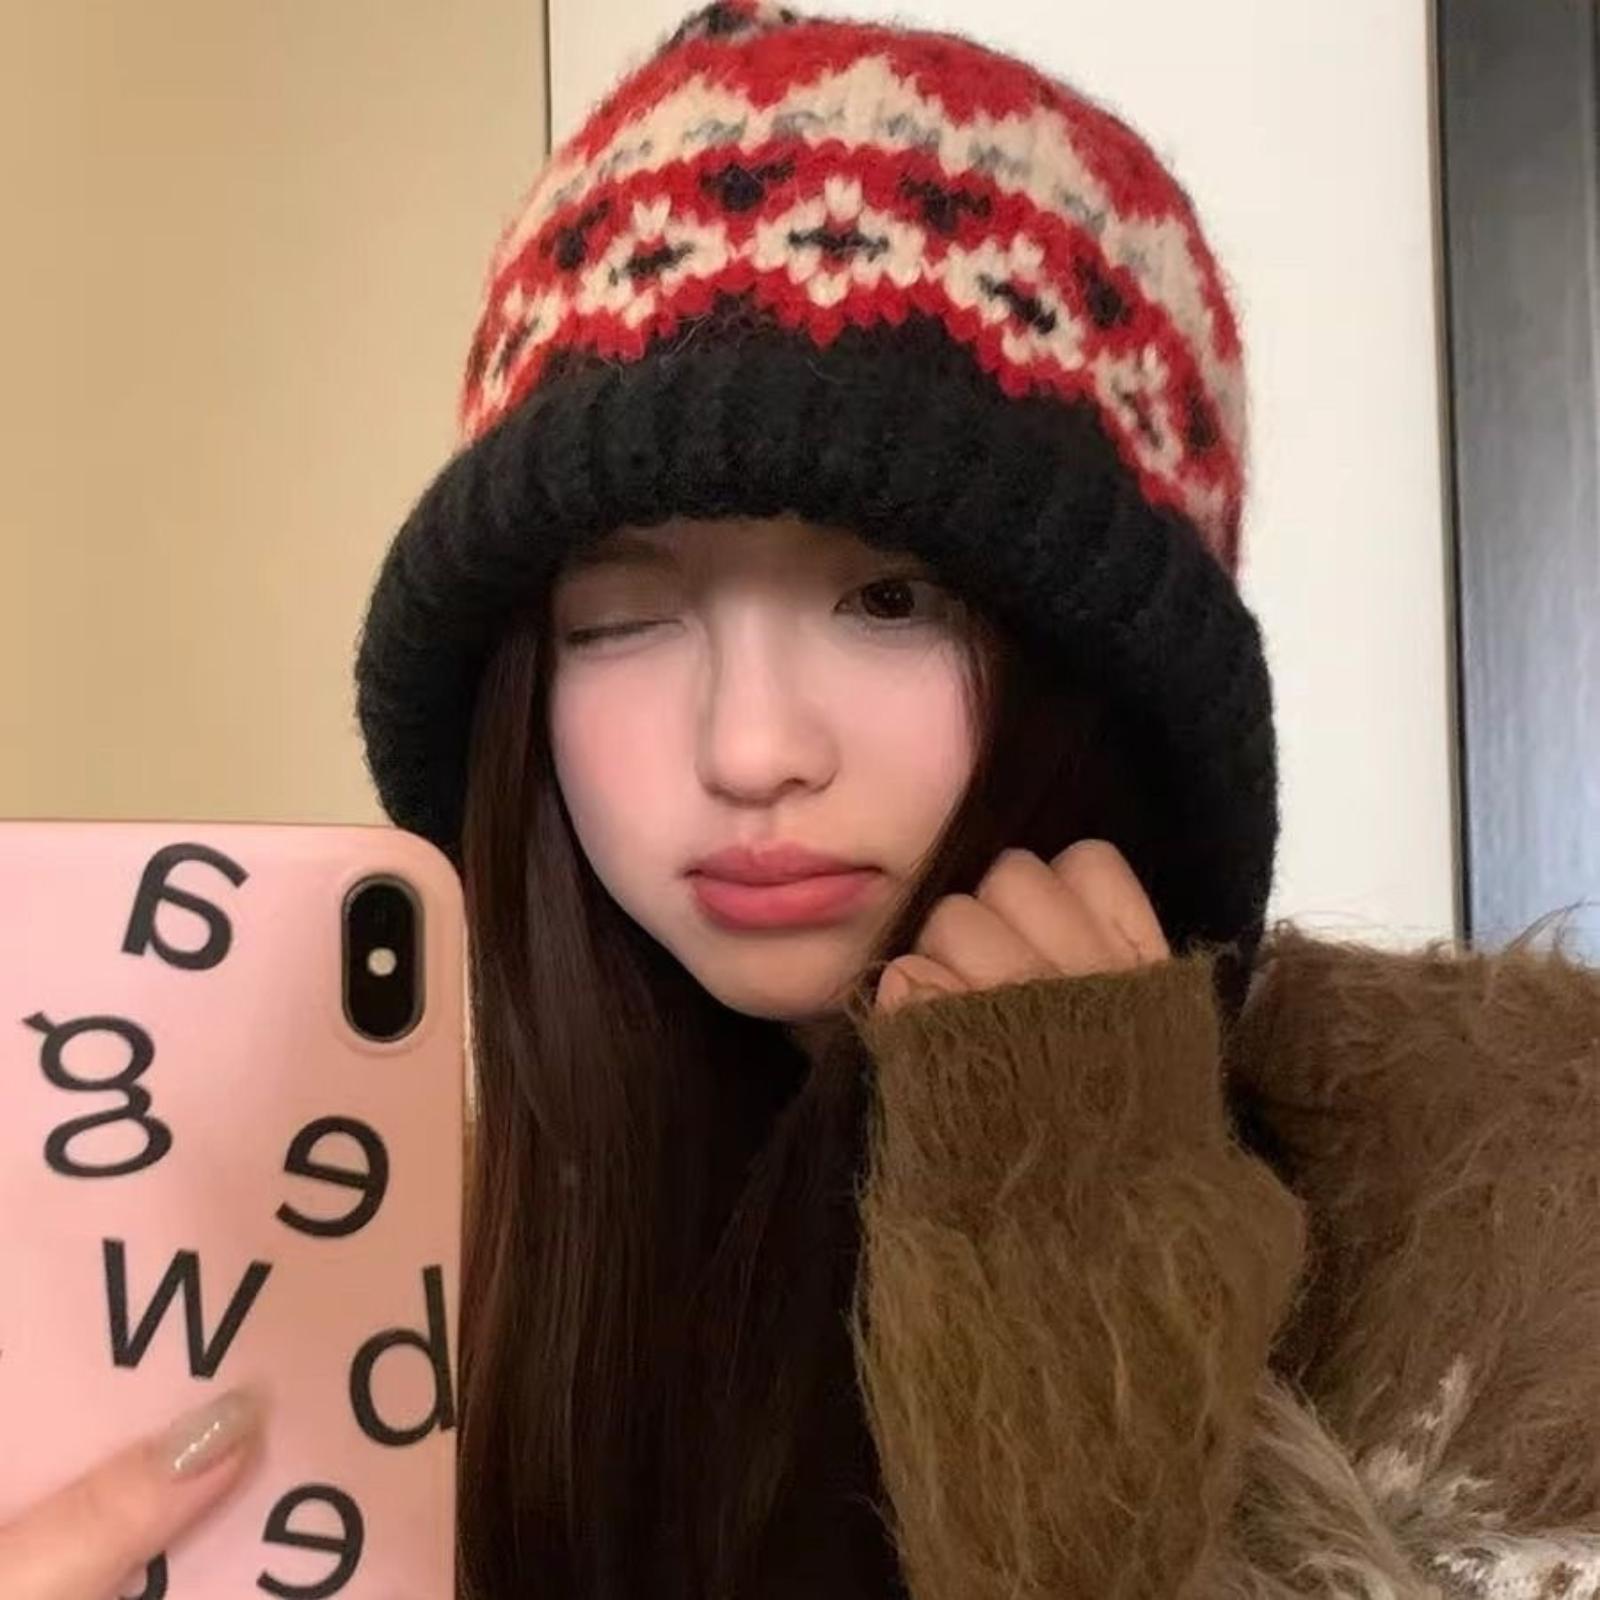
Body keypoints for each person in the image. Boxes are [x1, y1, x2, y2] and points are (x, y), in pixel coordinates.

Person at [4, 3, 1595, 1597]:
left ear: (1107, 665)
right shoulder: (405, 1272)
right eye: (622, 617)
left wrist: (1065, 1231)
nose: (752, 747)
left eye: (890, 600)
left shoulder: (1511, 1200)